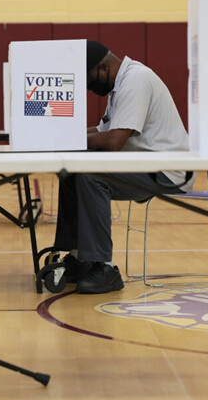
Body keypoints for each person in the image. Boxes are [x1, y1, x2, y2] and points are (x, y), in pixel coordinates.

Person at [53, 40, 194, 294]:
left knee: (89, 175)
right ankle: (80, 257)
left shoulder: (136, 80)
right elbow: (102, 129)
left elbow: (113, 141)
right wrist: (64, 135)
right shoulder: (119, 85)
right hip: (145, 165)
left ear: (104, 67)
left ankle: (105, 268)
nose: (88, 87)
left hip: (168, 172)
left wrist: (69, 139)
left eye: (88, 80)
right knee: (71, 171)